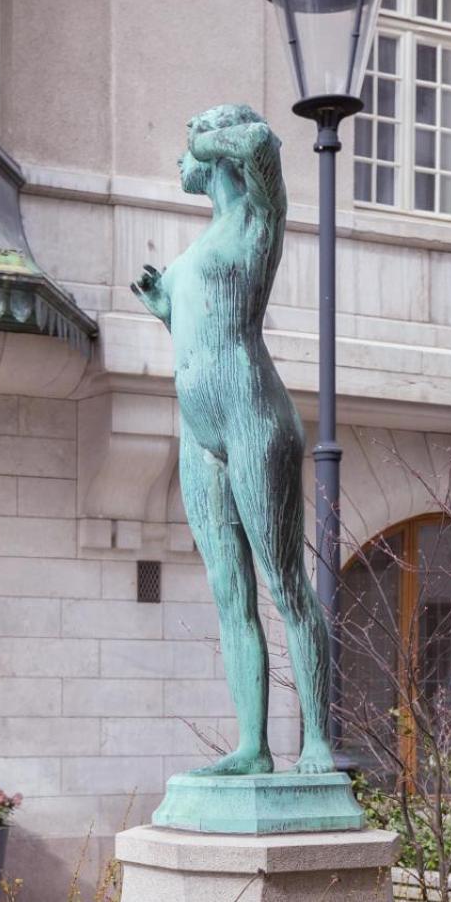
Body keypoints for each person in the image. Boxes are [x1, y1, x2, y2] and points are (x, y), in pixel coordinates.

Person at [133, 103, 334, 776]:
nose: (180, 157)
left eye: (189, 142)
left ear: (214, 150)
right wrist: (165, 309)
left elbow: (262, 142)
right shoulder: (197, 246)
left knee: (285, 584)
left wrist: (203, 134)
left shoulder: (257, 217)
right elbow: (200, 328)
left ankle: (316, 742)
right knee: (228, 590)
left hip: (252, 415)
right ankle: (252, 747)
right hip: (199, 430)